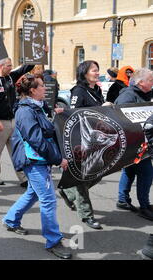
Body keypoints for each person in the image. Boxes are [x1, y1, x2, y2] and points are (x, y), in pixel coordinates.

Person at [2, 74, 71, 259]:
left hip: (39, 160)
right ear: (32, 90)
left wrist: (54, 115)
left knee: (33, 193)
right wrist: (58, 159)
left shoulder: (37, 106)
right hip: (33, 161)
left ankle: (10, 219)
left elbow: (44, 130)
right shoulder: (25, 111)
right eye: (41, 86)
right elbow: (37, 140)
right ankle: (53, 241)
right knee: (48, 200)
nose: (45, 88)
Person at [59, 60, 104, 230]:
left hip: (96, 140)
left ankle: (68, 192)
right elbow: (74, 114)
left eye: (97, 70)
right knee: (83, 177)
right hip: (82, 141)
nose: (97, 72)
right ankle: (87, 215)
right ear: (85, 73)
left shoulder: (97, 89)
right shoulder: (79, 90)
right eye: (94, 70)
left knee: (98, 174)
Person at [0, 57, 38, 187]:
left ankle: (23, 177)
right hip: (0, 122)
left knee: (17, 150)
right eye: (9, 65)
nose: (11, 68)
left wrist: (39, 54)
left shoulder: (10, 77)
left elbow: (26, 68)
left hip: (13, 120)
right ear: (1, 66)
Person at [115, 68, 153, 221]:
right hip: (134, 144)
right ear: (140, 82)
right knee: (147, 173)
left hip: (142, 142)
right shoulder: (128, 96)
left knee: (130, 172)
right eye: (150, 79)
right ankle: (144, 206)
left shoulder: (145, 94)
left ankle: (122, 199)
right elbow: (120, 118)